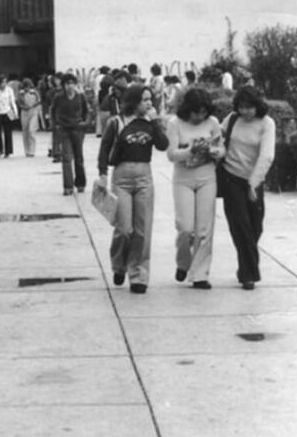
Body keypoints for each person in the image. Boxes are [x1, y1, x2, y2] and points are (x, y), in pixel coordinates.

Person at [97, 84, 169, 294]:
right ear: (134, 101)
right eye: (144, 100)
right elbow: (104, 150)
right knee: (124, 229)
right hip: (122, 178)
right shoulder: (116, 122)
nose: (149, 103)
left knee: (142, 229)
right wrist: (102, 175)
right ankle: (119, 264)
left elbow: (163, 145)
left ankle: (138, 275)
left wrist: (156, 122)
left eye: (150, 99)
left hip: (144, 177)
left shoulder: (150, 122)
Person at [218, 85, 276, 290]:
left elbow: (267, 155)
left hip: (254, 180)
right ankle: (249, 275)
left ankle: (244, 266)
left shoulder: (267, 124)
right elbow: (217, 134)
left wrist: (254, 183)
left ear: (258, 106)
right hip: (231, 178)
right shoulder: (233, 118)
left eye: (249, 108)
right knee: (241, 226)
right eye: (241, 107)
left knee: (255, 227)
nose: (245, 112)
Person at [166, 88, 225, 289]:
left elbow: (221, 147)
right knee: (185, 227)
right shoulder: (174, 124)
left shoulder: (213, 123)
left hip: (207, 176)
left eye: (203, 112)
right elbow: (172, 154)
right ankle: (183, 262)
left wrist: (214, 151)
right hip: (183, 178)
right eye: (196, 112)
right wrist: (190, 150)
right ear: (187, 110)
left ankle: (200, 274)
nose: (200, 117)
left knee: (204, 228)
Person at [50, 73, 89, 195]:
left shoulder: (80, 97)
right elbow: (52, 110)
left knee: (79, 158)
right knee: (66, 158)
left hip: (78, 130)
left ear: (75, 84)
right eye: (67, 84)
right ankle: (68, 186)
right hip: (64, 130)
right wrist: (55, 124)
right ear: (63, 85)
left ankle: (80, 183)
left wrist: (85, 123)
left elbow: (87, 112)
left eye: (72, 83)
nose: (70, 86)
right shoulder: (59, 97)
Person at [0, 74, 18, 159]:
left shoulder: (9, 90)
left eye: (5, 82)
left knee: (8, 133)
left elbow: (12, 102)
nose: (4, 84)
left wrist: (15, 112)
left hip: (7, 112)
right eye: (2, 82)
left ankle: (8, 151)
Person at [18, 78, 43, 157]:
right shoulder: (21, 93)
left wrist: (33, 105)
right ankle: (27, 150)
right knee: (25, 132)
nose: (27, 89)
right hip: (24, 113)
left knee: (31, 131)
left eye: (28, 87)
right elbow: (19, 103)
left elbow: (39, 100)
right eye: (25, 87)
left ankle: (32, 150)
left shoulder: (34, 92)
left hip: (33, 112)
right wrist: (25, 107)